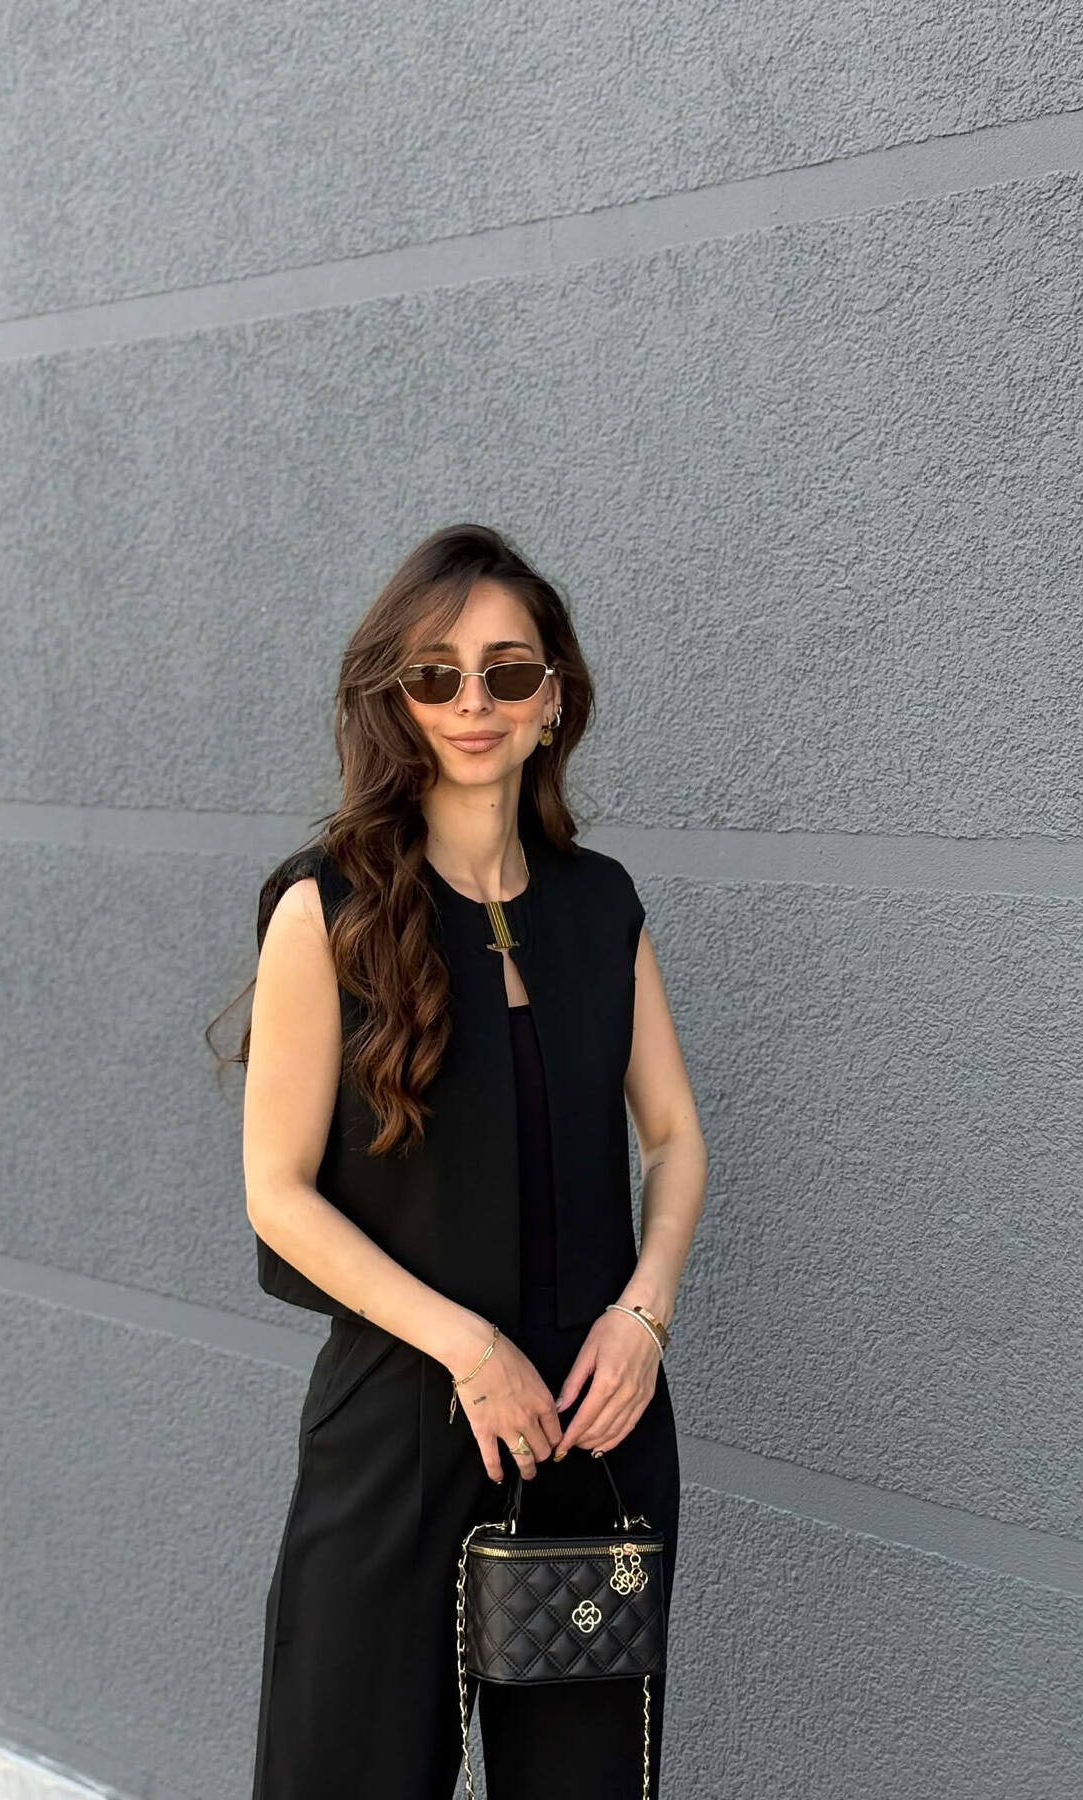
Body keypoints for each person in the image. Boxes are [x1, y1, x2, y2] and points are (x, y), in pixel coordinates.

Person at [229, 523, 707, 1798]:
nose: (473, 702)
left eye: (508, 671)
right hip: (403, 1437)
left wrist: (645, 1316)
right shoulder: (324, 909)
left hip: (595, 1438)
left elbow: (673, 1137)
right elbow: (275, 1191)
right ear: (398, 699)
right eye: (436, 674)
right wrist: (472, 1348)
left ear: (553, 698)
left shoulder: (601, 906)